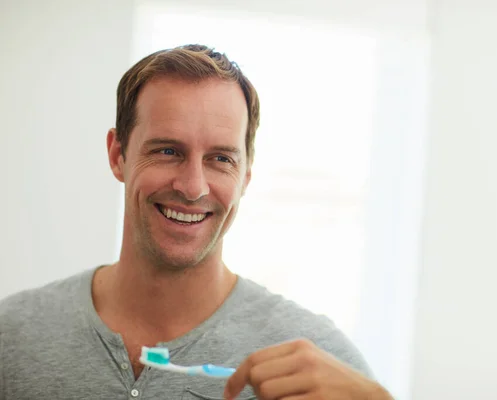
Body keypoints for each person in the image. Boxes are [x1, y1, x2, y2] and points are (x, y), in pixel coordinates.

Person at [0, 44, 393, 400]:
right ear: (118, 154)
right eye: (168, 151)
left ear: (245, 178)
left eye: (221, 159)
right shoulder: (12, 338)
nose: (192, 187)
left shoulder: (313, 364)